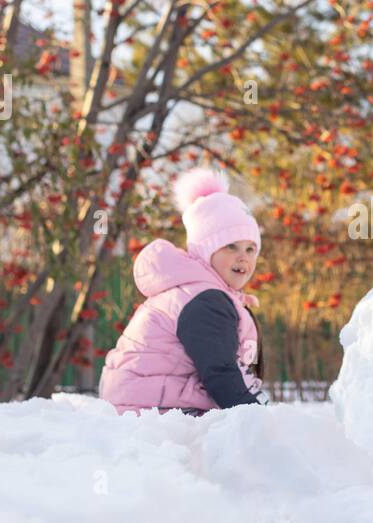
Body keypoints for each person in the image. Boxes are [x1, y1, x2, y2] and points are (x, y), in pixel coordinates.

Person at [99, 168, 269, 415]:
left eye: (251, 249)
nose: (243, 257)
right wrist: (258, 417)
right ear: (205, 250)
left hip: (145, 407)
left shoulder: (193, 292)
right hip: (152, 415)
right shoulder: (205, 301)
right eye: (231, 246)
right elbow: (220, 372)